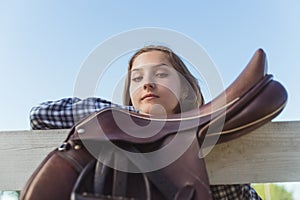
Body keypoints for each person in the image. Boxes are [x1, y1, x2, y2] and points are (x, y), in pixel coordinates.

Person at [30, 45, 261, 200]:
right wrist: (117, 117)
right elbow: (40, 115)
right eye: (137, 78)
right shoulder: (110, 118)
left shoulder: (204, 135)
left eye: (161, 74)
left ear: (185, 88)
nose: (147, 83)